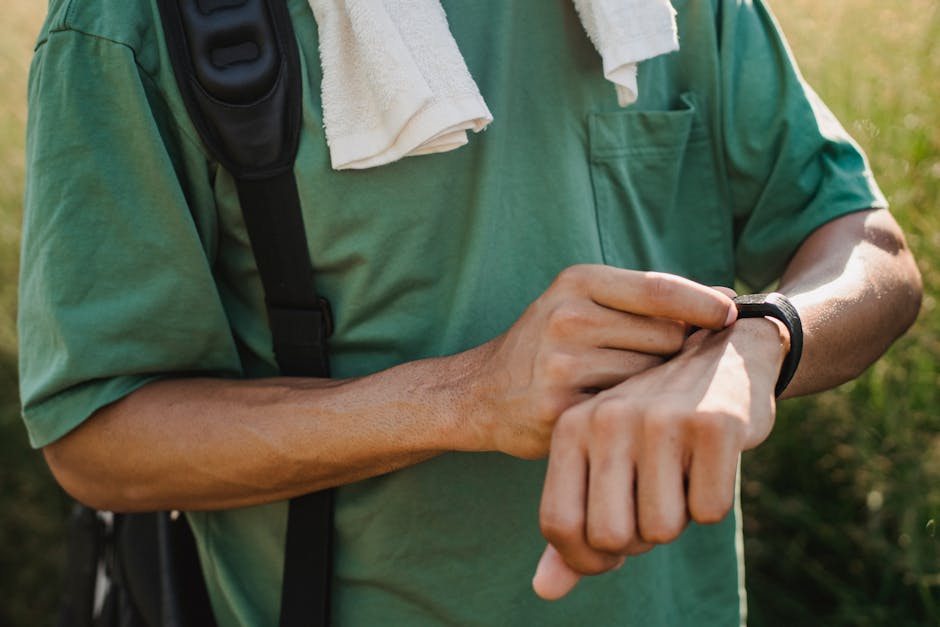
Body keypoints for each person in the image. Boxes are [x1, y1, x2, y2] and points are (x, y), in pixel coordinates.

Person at [19, 0, 921, 625]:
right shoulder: (123, 25)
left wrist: (759, 343)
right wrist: (463, 396)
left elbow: (870, 249)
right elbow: (97, 435)